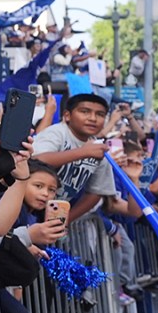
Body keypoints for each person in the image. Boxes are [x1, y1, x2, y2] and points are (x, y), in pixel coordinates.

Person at [32, 93, 117, 221]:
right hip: (27, 209)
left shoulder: (99, 150)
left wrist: (66, 219)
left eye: (100, 114)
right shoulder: (57, 133)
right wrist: (83, 152)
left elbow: (96, 191)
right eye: (85, 112)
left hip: (53, 215)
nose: (93, 118)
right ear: (67, 115)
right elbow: (37, 161)